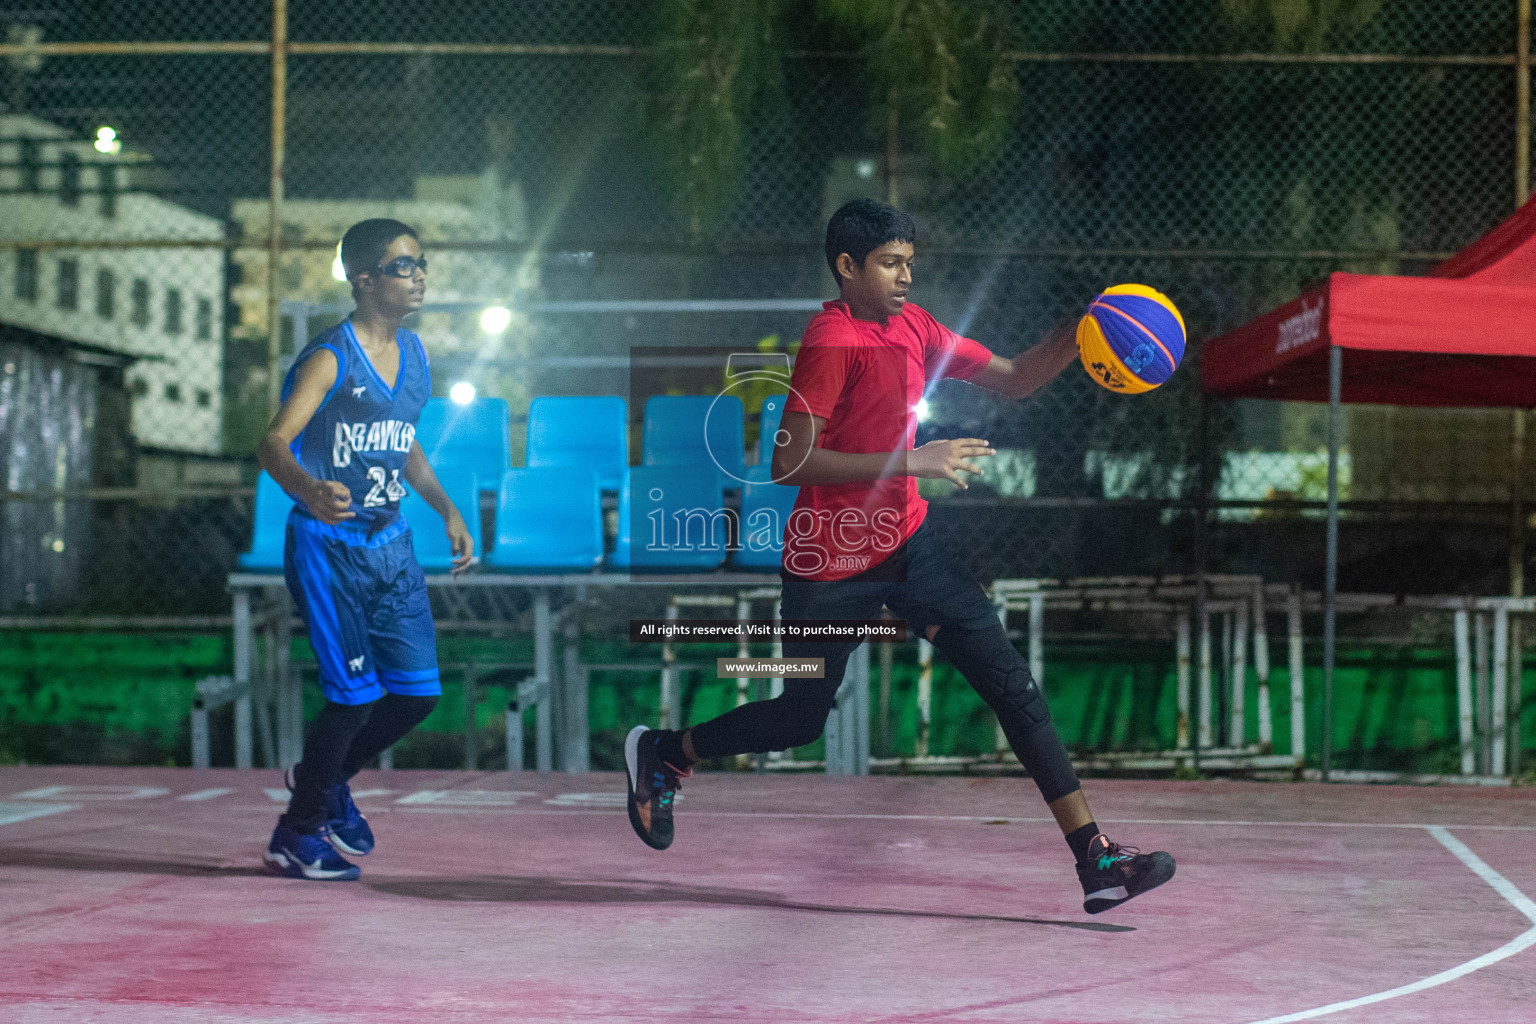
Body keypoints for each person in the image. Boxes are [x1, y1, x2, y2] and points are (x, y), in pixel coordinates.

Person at [625, 199, 1175, 914]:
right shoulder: (831, 340)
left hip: (911, 545)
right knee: (800, 720)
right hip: (830, 563)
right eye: (890, 262)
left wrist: (1081, 330)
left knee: (1012, 686)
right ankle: (667, 752)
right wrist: (913, 461)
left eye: (910, 261)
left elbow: (1015, 378)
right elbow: (788, 461)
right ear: (848, 267)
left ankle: (1096, 860)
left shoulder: (916, 327)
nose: (906, 274)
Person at [259, 218, 474, 881]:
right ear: (364, 279)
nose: (419, 276)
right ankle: (296, 833)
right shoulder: (331, 356)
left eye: (422, 264)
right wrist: (306, 486)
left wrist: (446, 507)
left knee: (416, 694)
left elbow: (399, 439)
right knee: (353, 698)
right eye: (404, 266)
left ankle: (324, 779)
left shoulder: (416, 355)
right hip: (330, 545)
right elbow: (273, 441)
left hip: (392, 542)